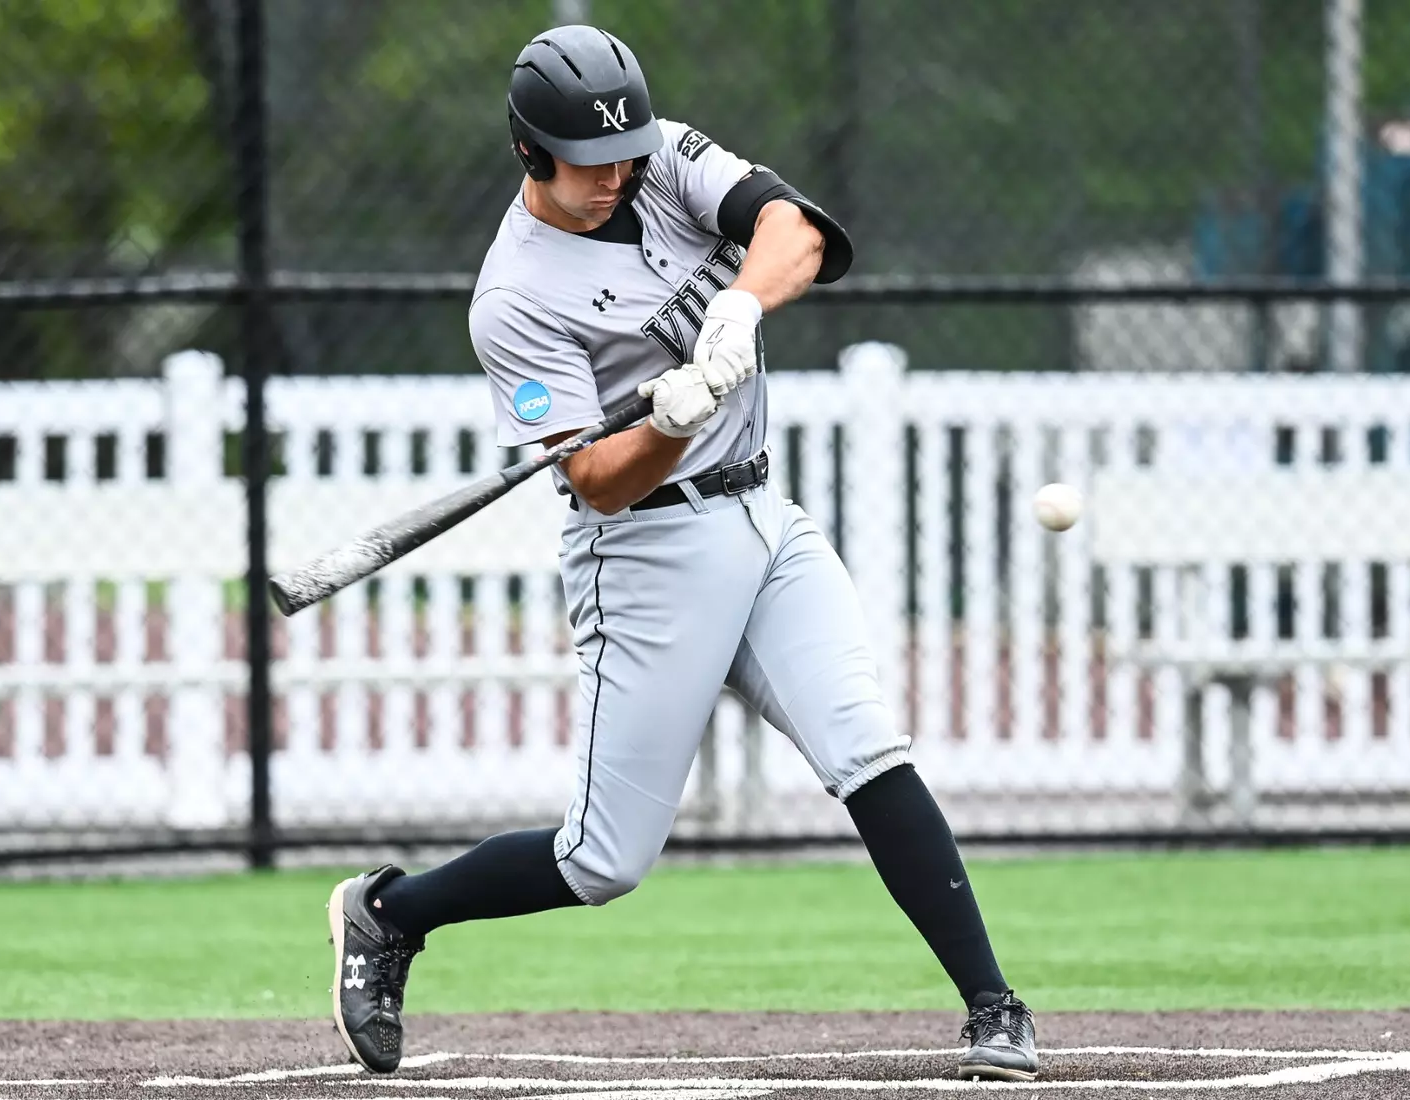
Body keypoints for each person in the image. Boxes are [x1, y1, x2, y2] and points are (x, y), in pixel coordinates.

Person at [325, 24, 1039, 1084]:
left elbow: (792, 230)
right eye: (588, 163)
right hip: (647, 552)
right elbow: (599, 477)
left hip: (765, 514)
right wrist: (672, 416)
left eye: (625, 153)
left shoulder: (658, 160)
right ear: (529, 154)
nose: (615, 175)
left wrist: (742, 306)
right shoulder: (513, 299)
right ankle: (389, 912)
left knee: (866, 744)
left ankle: (995, 1005)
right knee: (600, 859)